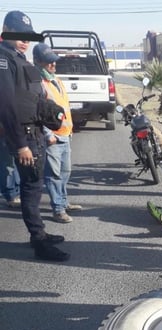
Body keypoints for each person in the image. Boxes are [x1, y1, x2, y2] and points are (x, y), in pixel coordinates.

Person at [0, 10, 69, 261]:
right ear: (6, 29)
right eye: (18, 34)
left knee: (35, 187)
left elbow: (31, 98)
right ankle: (39, 242)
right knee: (31, 190)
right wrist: (20, 145)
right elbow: (6, 105)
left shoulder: (18, 58)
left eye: (26, 35)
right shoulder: (4, 59)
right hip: (24, 137)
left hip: (35, 133)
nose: (24, 40)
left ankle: (37, 234)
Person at [33, 42, 81, 223]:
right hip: (52, 137)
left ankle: (64, 201)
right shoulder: (38, 83)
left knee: (65, 171)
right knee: (53, 175)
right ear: (38, 61)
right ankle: (58, 209)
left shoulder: (56, 80)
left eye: (54, 61)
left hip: (65, 134)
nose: (53, 65)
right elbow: (38, 111)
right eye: (48, 62)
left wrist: (70, 129)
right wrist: (48, 134)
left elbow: (63, 108)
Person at [0, 132, 20, 207]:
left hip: (17, 133)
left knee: (15, 164)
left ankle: (15, 193)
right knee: (8, 165)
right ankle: (10, 195)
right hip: (5, 132)